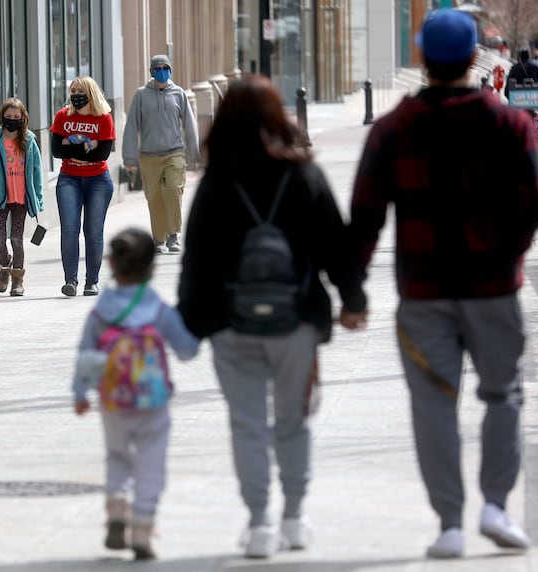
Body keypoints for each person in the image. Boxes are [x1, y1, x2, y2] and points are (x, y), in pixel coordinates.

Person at [346, 9, 538, 559]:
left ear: (423, 58)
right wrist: (509, 254)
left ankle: (450, 523)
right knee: (503, 395)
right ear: (475, 56)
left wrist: (353, 290)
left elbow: (364, 215)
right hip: (494, 288)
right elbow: (532, 203)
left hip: (424, 293)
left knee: (433, 404)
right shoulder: (509, 125)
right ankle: (497, 506)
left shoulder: (393, 129)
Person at [177, 75, 367, 559]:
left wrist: (189, 325)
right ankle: (295, 518)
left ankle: (260, 523)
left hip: (229, 320)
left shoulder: (216, 182)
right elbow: (335, 244)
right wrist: (352, 301)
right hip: (296, 319)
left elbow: (195, 260)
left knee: (247, 425)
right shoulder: (302, 175)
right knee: (292, 421)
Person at [72, 228, 199, 559]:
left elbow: (88, 353)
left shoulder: (102, 311)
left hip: (113, 398)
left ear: (110, 264)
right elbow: (186, 350)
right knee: (150, 462)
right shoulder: (157, 308)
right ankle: (142, 526)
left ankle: (116, 506)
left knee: (118, 455)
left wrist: (81, 392)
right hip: (152, 401)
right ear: (153, 268)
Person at [122, 54, 200, 254]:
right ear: (151, 72)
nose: (162, 71)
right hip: (148, 156)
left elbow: (190, 125)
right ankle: (159, 239)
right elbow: (131, 126)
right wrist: (129, 158)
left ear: (171, 70)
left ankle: (173, 235)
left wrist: (194, 155)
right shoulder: (141, 95)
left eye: (165, 68)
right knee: (154, 197)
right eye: (158, 68)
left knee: (173, 189)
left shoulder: (179, 93)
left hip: (174, 153)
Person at [51, 75, 115, 297]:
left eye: (80, 91)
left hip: (99, 180)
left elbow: (104, 153)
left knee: (93, 232)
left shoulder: (104, 118)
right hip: (69, 178)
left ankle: (91, 282)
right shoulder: (62, 116)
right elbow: (56, 151)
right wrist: (88, 149)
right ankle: (71, 281)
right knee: (69, 230)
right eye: (73, 91)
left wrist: (72, 146)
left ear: (91, 93)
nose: (76, 95)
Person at [0, 97, 44, 296]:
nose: (12, 119)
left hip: (21, 199)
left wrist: (38, 198)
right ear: (2, 117)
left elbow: (37, 171)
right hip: (0, 199)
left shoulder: (29, 141)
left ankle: (18, 280)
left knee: (16, 239)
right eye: (9, 116)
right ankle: (4, 267)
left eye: (16, 116)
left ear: (23, 118)